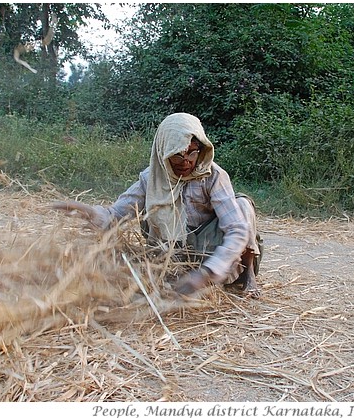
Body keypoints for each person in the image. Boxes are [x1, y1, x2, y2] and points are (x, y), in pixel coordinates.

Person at [52, 112, 262, 297]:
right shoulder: (151, 178)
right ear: (163, 151)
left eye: (192, 152)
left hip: (211, 248)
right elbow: (117, 213)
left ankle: (248, 274)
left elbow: (236, 230)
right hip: (174, 252)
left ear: (201, 149)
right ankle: (182, 274)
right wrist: (90, 213)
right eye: (177, 154)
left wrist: (208, 273)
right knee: (146, 215)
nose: (186, 161)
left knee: (242, 205)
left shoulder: (213, 176)